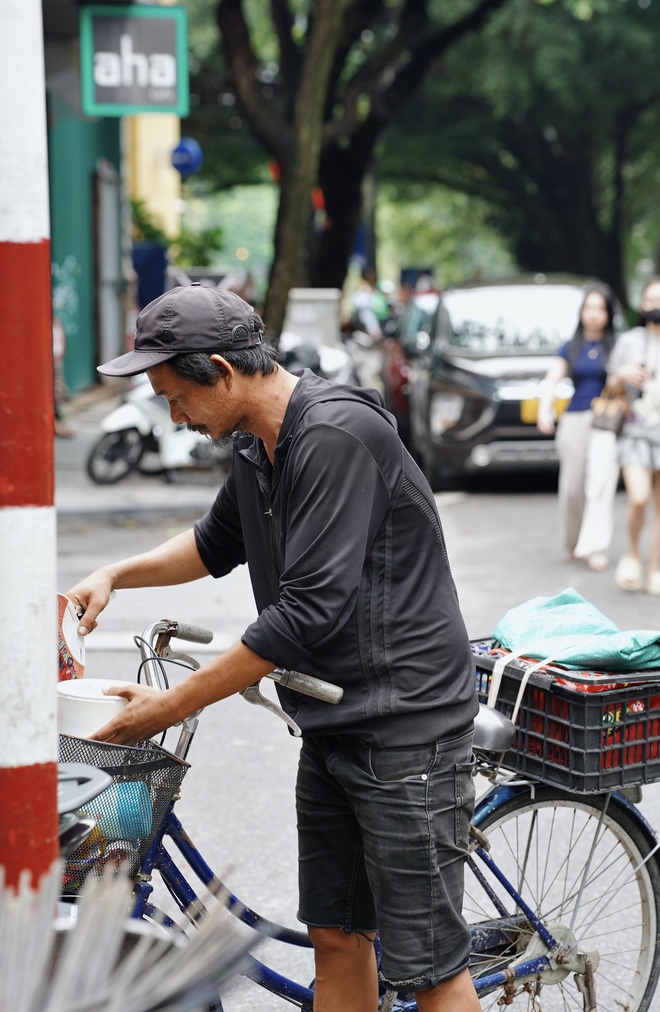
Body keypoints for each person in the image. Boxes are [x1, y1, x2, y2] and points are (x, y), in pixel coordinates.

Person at [66, 282, 481, 1012]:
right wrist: (114, 574)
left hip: (404, 725)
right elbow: (212, 543)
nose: (175, 415)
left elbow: (304, 616)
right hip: (333, 718)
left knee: (429, 970)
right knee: (336, 933)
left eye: (176, 396)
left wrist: (168, 708)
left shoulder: (333, 437)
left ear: (222, 372)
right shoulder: (261, 444)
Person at [537, 286, 619, 571]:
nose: (594, 314)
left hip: (606, 421)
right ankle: (574, 543)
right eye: (589, 308)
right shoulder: (571, 346)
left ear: (608, 314)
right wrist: (543, 409)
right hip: (574, 419)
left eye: (600, 308)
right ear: (581, 312)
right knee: (573, 488)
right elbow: (551, 381)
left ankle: (596, 547)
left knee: (600, 483)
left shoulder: (616, 346)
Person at [608, 276, 660, 594]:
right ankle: (631, 553)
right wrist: (621, 375)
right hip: (634, 430)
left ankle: (656, 567)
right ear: (642, 305)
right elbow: (610, 389)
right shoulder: (629, 341)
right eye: (651, 299)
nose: (656, 305)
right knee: (639, 498)